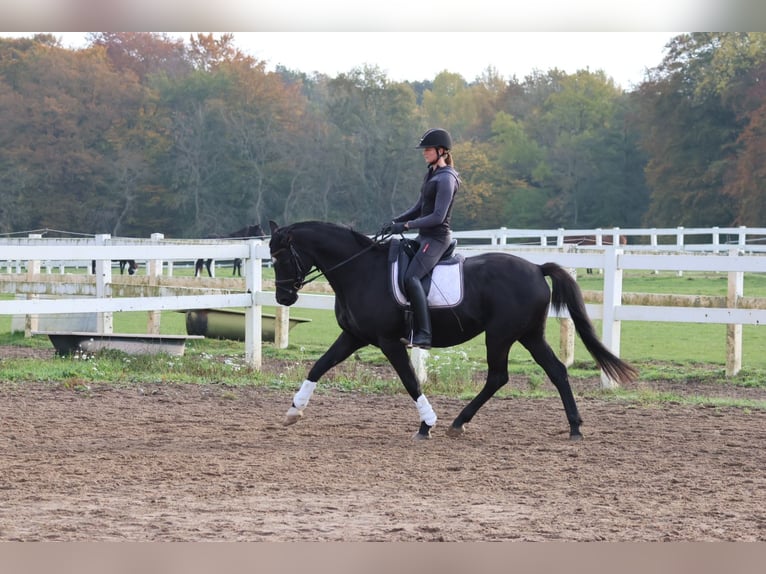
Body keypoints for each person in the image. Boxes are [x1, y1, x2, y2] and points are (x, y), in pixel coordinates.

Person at [382, 128, 460, 349]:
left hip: (437, 239)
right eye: (424, 149)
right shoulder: (431, 174)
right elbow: (419, 208)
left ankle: (424, 334)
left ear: (441, 151)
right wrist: (395, 221)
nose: (424, 153)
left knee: (411, 278)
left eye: (428, 149)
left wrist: (406, 225)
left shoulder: (447, 179)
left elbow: (437, 216)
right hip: (423, 236)